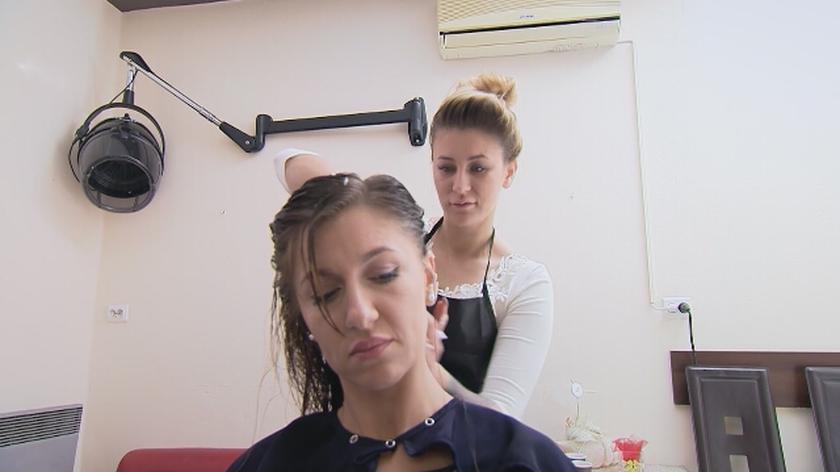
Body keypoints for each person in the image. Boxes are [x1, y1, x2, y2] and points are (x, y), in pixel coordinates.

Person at [227, 173, 573, 471]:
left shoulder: (524, 460)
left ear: (428, 277)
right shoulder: (270, 464)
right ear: (304, 319)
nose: (360, 314)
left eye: (383, 275)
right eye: (325, 294)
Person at [273, 74, 554, 419]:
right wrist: (342, 193)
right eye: (446, 168)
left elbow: (502, 418)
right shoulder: (398, 242)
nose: (460, 186)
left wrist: (432, 370)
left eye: (478, 168)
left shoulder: (524, 283)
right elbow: (286, 159)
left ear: (508, 172)